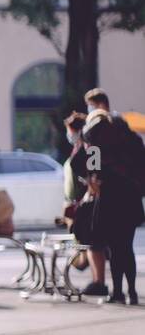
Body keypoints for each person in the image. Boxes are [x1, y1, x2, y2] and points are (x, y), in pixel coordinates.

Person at [74, 88, 144, 303]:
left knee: (114, 247)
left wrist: (92, 179)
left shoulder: (96, 138)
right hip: (131, 199)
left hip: (110, 198)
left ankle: (117, 293)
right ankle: (132, 291)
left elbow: (89, 168)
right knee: (127, 246)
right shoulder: (132, 139)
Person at [62, 113, 104, 288]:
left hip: (87, 203)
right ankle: (97, 281)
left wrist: (90, 195)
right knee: (86, 244)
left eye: (70, 131)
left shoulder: (91, 148)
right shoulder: (81, 148)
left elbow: (94, 178)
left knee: (92, 245)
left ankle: (98, 282)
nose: (69, 135)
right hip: (78, 203)